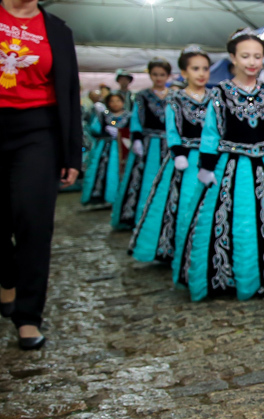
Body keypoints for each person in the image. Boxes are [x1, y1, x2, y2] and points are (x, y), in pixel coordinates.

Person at [0, 0, 82, 350]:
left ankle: (28, 316)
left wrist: (72, 153)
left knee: (34, 222)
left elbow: (69, 93)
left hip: (38, 131)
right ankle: (8, 277)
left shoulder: (58, 31)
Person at [177, 29, 264, 301]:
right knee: (238, 221)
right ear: (233, 58)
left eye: (257, 56)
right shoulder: (221, 92)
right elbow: (211, 132)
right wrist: (206, 166)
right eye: (245, 56)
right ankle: (235, 276)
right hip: (233, 167)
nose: (252, 62)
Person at [130, 46, 211, 266]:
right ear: (184, 73)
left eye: (205, 68)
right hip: (185, 158)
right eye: (195, 69)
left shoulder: (216, 98)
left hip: (212, 158)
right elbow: (172, 129)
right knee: (184, 201)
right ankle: (180, 248)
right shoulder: (176, 99)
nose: (201, 73)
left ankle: (207, 250)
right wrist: (178, 153)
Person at [112, 57, 170, 230]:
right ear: (150, 75)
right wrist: (136, 138)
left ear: (168, 76)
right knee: (144, 178)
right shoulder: (142, 95)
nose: (159, 78)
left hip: (170, 143)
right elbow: (136, 118)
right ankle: (140, 216)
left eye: (162, 74)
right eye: (155, 74)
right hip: (148, 143)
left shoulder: (175, 96)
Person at [83, 92, 129, 208]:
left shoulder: (129, 115)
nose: (115, 104)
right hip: (106, 147)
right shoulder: (106, 114)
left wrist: (120, 131)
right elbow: (96, 128)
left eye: (118, 101)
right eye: (112, 101)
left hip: (125, 147)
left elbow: (125, 127)